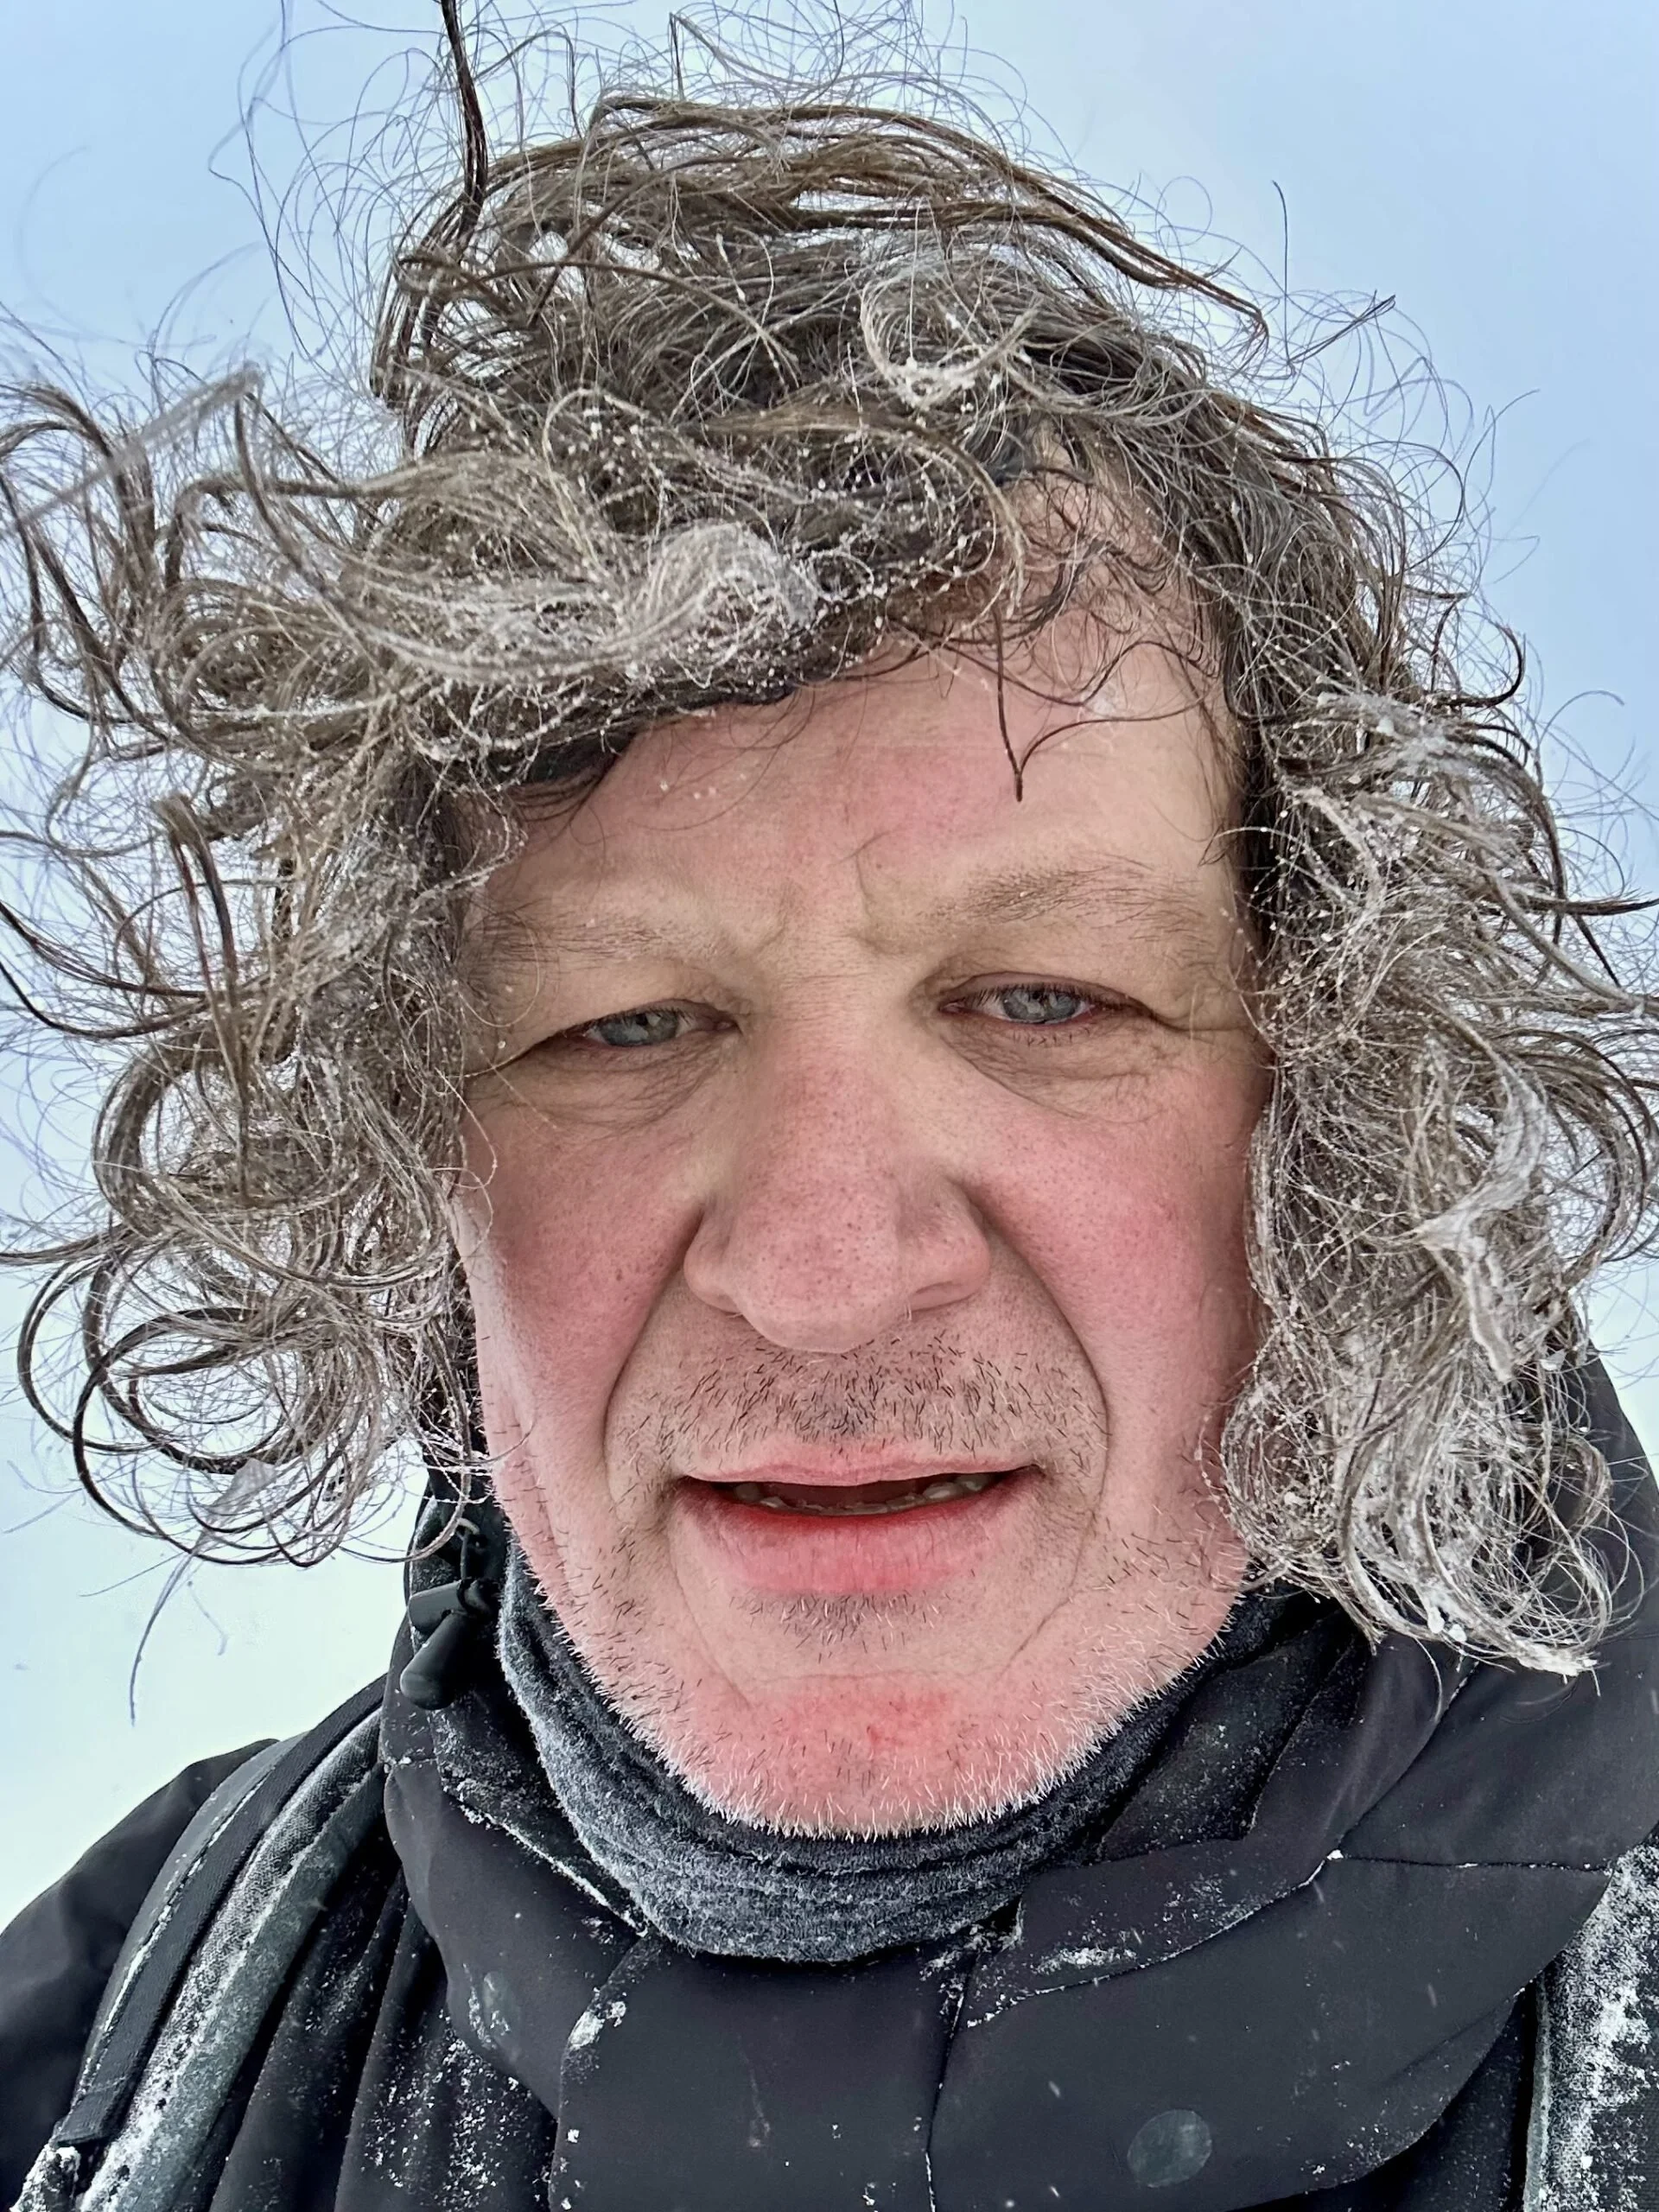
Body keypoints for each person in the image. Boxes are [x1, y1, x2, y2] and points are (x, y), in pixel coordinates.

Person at [3, 9, 1659, 2208]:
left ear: (1337, 1112)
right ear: (410, 1166)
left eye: (1045, 994)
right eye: (627, 1023)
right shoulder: (131, 2023)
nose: (819, 1259)